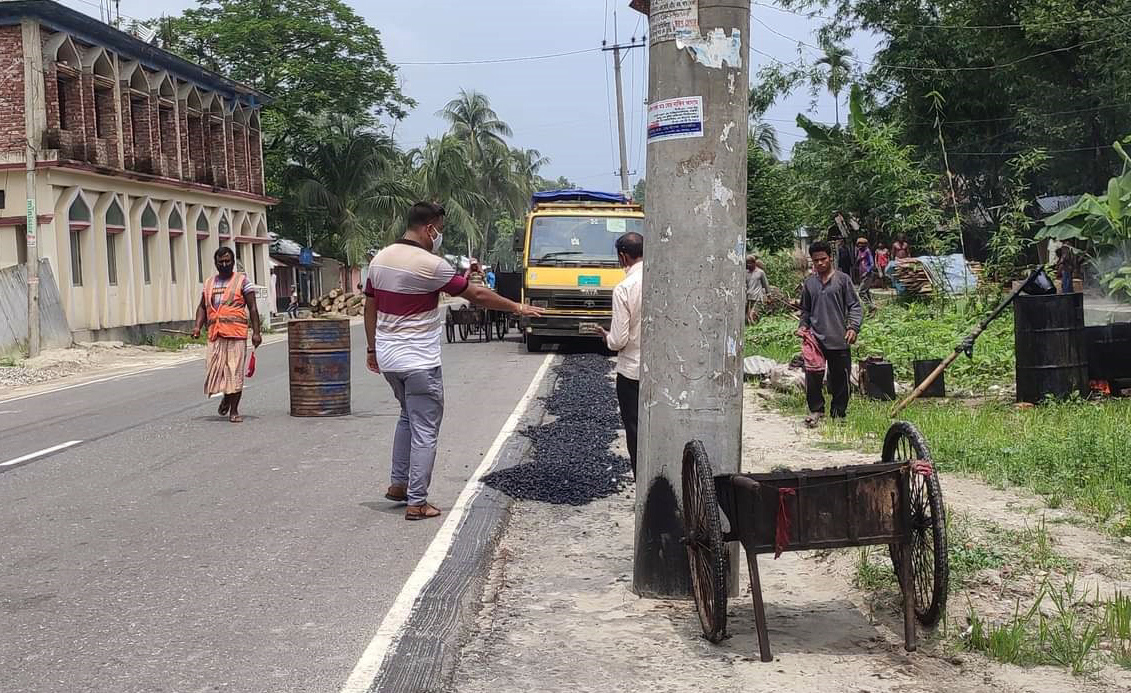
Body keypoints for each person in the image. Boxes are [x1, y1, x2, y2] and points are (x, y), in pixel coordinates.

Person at [364, 202, 544, 520]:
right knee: (425, 428)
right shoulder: (430, 264)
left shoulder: (380, 259)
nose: (440, 236)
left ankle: (399, 484)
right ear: (430, 227)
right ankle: (417, 502)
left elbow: (370, 306)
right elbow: (476, 295)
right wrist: (517, 308)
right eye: (441, 230)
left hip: (389, 359)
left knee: (407, 416)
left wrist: (371, 349)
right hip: (419, 360)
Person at [191, 247, 262, 424]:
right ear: (215, 263)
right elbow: (202, 307)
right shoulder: (208, 283)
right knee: (216, 371)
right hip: (215, 334)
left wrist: (257, 332)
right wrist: (197, 327)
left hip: (236, 335)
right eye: (220, 262)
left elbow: (252, 308)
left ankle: (234, 409)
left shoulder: (243, 281)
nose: (224, 264)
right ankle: (226, 397)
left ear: (233, 261)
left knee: (234, 371)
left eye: (227, 261)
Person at [797, 240, 862, 427]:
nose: (819, 263)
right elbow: (806, 310)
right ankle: (816, 410)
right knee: (813, 376)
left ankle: (838, 413)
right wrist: (803, 326)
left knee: (841, 377)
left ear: (830, 258)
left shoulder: (843, 280)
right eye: (815, 260)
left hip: (839, 337)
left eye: (823, 259)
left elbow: (855, 306)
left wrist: (853, 327)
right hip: (815, 339)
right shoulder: (809, 284)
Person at [597, 232, 643, 477]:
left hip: (633, 372)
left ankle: (643, 488)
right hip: (663, 372)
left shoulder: (625, 288)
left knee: (636, 432)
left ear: (623, 257)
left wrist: (605, 336)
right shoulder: (664, 280)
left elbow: (618, 341)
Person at [745, 255, 770, 323]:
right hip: (749, 297)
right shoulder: (746, 273)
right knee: (747, 316)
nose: (748, 265)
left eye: (750, 263)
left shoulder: (760, 272)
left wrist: (769, 296)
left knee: (753, 315)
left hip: (758, 297)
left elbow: (765, 285)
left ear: (754, 263)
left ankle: (756, 327)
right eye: (747, 263)